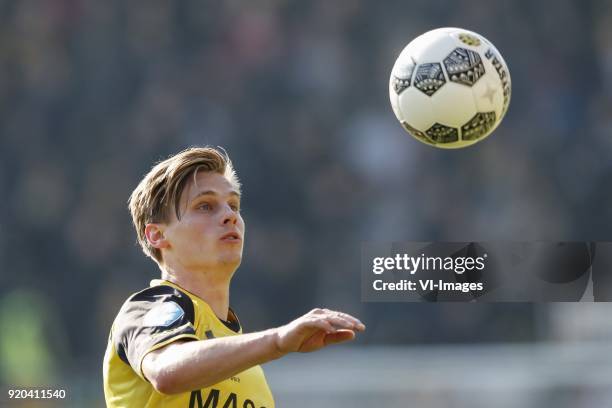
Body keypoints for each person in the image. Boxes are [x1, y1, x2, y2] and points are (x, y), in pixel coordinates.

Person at [103, 147, 365, 407]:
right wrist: (277, 341)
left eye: (233, 205)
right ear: (157, 235)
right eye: (205, 206)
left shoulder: (246, 365)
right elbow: (165, 371)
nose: (230, 216)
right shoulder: (147, 308)